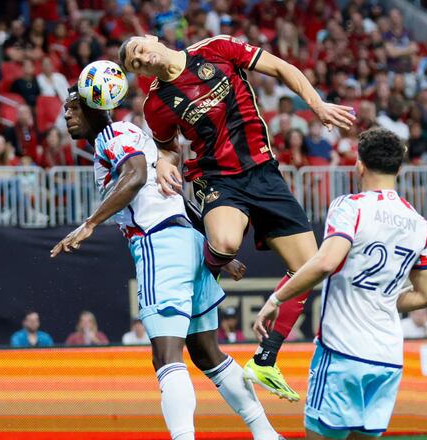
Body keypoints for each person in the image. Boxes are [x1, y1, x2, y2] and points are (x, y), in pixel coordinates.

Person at [119, 33, 355, 401]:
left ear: (152, 38)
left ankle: (265, 359)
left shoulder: (214, 48)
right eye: (135, 63)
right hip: (215, 179)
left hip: (264, 173)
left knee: (310, 268)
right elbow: (167, 147)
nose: (143, 59)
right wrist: (165, 163)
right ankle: (208, 269)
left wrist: (316, 104)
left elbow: (280, 67)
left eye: (139, 50)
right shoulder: (156, 104)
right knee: (226, 241)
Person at [51, 84, 281, 440]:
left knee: (166, 357)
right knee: (207, 354)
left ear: (95, 106)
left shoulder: (112, 136)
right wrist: (210, 245)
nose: (66, 115)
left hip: (159, 244)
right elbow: (169, 189)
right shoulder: (132, 133)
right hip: (187, 242)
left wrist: (90, 224)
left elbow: (136, 177)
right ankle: (267, 434)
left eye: (72, 108)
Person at [252, 127, 427, 439]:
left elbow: (325, 262)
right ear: (399, 169)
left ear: (359, 165)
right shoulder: (421, 226)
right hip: (388, 358)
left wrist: (276, 300)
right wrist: (381, 298)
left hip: (343, 351)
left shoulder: (350, 206)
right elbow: (425, 294)